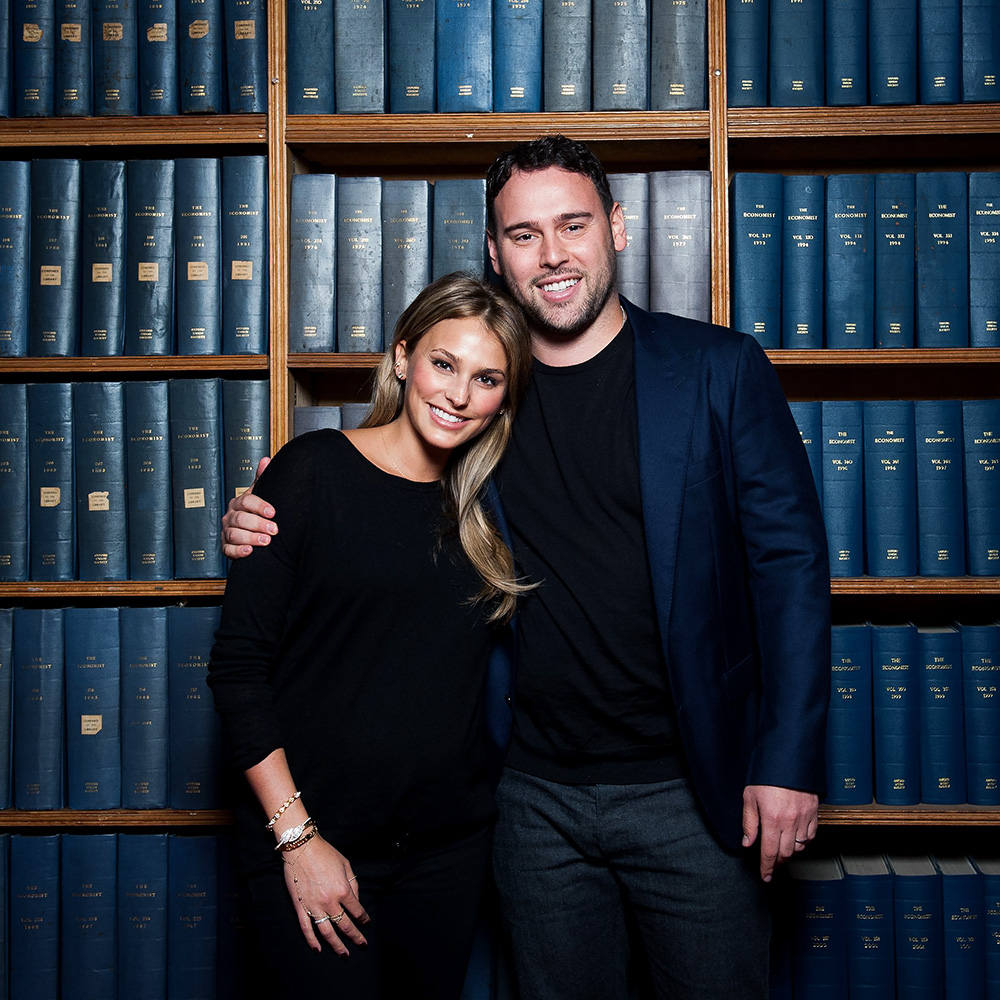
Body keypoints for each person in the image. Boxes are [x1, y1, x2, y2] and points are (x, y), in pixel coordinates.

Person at [221, 136, 831, 1000]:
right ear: (496, 252)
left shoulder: (717, 371)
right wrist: (267, 515)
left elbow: (792, 571)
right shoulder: (483, 396)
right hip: (528, 798)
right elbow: (372, 498)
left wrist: (789, 760)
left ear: (615, 228)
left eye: (573, 224)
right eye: (523, 234)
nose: (552, 255)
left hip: (693, 789)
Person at [207, 272, 534, 999]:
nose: (457, 394)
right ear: (401, 357)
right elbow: (238, 669)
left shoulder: (488, 509)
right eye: (443, 364)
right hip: (313, 837)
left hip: (448, 853)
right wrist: (299, 840)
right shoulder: (311, 472)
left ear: (503, 398)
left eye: (485, 379)